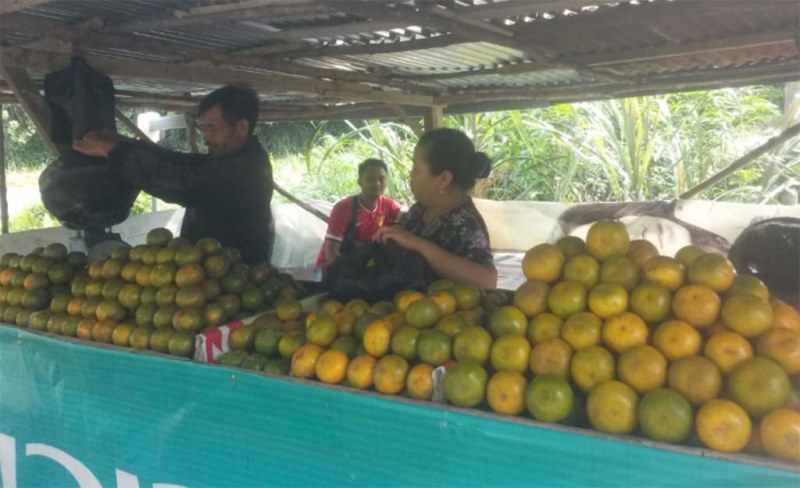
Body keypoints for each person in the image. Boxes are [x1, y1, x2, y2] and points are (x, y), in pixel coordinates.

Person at [72, 85, 274, 264]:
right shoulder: (228, 161)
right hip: (207, 279)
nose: (206, 138)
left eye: (212, 128)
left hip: (240, 279)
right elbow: (177, 161)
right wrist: (123, 143)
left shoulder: (245, 171)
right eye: (203, 129)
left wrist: (112, 151)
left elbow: (178, 183)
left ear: (241, 127)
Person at [373, 128, 497, 289]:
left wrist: (418, 244)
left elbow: (487, 281)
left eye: (416, 169)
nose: (411, 175)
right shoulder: (420, 210)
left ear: (444, 178)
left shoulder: (465, 224)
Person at [315, 158, 404, 274]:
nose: (377, 183)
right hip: (332, 269)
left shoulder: (389, 206)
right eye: (370, 179)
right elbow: (331, 253)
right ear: (359, 181)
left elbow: (410, 216)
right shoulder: (343, 208)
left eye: (381, 179)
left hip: (363, 266)